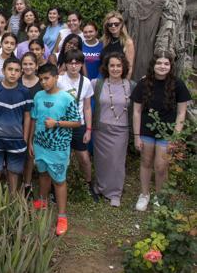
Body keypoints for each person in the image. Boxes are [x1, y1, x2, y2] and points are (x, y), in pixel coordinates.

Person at [132, 53, 191, 211]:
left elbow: (181, 113)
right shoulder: (144, 83)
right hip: (146, 130)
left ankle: (159, 196)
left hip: (167, 132)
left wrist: (175, 136)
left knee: (161, 166)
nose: (162, 66)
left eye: (166, 63)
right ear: (153, 65)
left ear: (171, 66)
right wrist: (136, 136)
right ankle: (144, 194)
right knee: (145, 162)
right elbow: (137, 111)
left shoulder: (178, 85)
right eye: (159, 63)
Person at [29, 63, 81, 236]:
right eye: (41, 79)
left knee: (59, 181)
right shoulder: (38, 96)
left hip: (58, 147)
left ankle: (62, 216)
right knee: (43, 174)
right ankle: (43, 202)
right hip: (40, 144)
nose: (44, 82)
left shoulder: (66, 98)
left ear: (56, 77)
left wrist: (56, 124)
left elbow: (77, 122)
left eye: (47, 78)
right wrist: (30, 141)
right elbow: (34, 119)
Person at [91, 52, 135, 207]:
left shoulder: (131, 85)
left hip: (121, 130)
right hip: (101, 129)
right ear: (106, 67)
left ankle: (115, 192)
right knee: (101, 161)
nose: (115, 69)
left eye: (118, 65)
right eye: (112, 65)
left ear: (123, 67)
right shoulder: (97, 83)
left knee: (116, 162)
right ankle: (100, 187)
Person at [0, 57, 32, 192]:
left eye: (17, 70)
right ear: (3, 71)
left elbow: (27, 116)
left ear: (21, 73)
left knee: (14, 171)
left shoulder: (25, 92)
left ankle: (12, 198)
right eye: (10, 69)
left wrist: (25, 138)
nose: (13, 73)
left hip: (17, 139)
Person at [57, 50, 98, 202]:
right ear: (66, 64)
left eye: (77, 63)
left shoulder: (86, 82)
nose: (74, 66)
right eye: (70, 63)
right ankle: (59, 186)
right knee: (61, 158)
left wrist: (88, 129)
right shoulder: (59, 80)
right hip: (61, 124)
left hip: (78, 124)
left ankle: (88, 184)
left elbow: (87, 107)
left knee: (84, 157)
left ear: (81, 64)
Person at [19, 52, 43, 197]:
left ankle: (27, 184)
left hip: (35, 122)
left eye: (31, 64)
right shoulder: (16, 79)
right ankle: (15, 180)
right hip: (17, 121)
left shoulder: (41, 83)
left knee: (30, 153)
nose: (28, 67)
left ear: (36, 66)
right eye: (25, 64)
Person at [100, 11, 135, 79]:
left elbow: (129, 67)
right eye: (110, 24)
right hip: (104, 80)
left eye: (116, 24)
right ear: (107, 26)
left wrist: (125, 84)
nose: (113, 26)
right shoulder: (104, 41)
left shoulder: (127, 42)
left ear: (121, 24)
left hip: (120, 80)